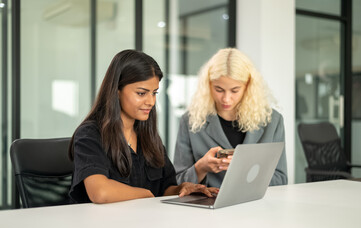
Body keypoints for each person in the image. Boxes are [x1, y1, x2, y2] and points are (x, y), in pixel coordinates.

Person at [68, 50, 218, 204]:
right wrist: (146, 194)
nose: (151, 102)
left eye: (154, 93)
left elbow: (165, 189)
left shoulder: (148, 135)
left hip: (145, 223)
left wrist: (182, 189)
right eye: (141, 93)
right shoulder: (90, 134)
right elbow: (100, 192)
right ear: (116, 91)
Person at [174, 48, 288, 188]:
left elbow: (281, 180)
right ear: (208, 85)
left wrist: (244, 168)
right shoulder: (190, 121)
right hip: (208, 207)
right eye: (219, 90)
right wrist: (201, 168)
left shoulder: (272, 121)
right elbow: (177, 183)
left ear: (248, 87)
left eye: (235, 90)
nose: (226, 99)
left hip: (257, 206)